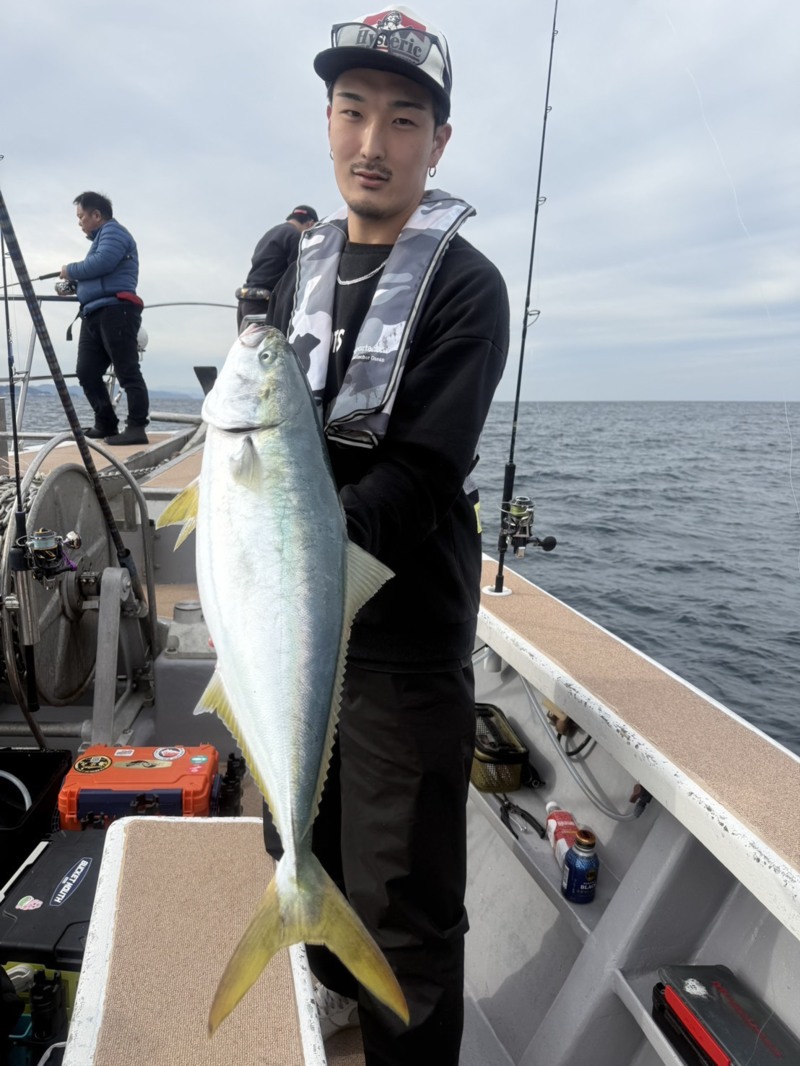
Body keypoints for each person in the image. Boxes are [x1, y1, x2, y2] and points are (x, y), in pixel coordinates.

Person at [262, 7, 509, 1064]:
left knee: (404, 914)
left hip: (400, 647)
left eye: (403, 119)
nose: (373, 141)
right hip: (288, 631)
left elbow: (417, 474)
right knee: (301, 852)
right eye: (353, 111)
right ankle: (333, 1020)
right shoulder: (290, 269)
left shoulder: (465, 286)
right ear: (325, 123)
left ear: (437, 142)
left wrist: (284, 555)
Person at [59, 191, 150, 446]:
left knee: (127, 370)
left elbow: (102, 263)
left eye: (81, 216)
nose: (79, 222)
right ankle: (106, 423)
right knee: (86, 371)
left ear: (96, 215)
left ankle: (136, 428)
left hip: (116, 311)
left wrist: (69, 271)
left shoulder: (114, 232)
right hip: (93, 313)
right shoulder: (100, 238)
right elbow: (99, 270)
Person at [235, 205, 318, 329]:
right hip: (263, 307)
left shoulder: (271, 232)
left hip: (246, 305)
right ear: (310, 224)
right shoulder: (295, 237)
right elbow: (298, 278)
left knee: (248, 348)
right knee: (269, 348)